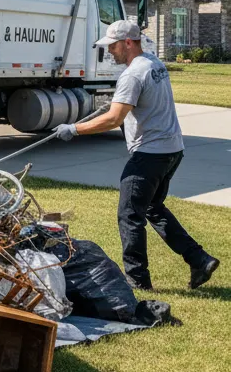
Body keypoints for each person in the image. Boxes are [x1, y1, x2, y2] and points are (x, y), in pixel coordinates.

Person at [56, 19, 219, 290]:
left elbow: (113, 119)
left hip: (150, 152)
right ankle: (199, 259)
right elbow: (135, 101)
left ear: (128, 43)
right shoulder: (154, 63)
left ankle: (137, 282)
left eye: (113, 46)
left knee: (129, 215)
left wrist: (73, 128)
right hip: (172, 149)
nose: (110, 51)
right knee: (153, 207)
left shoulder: (132, 74)